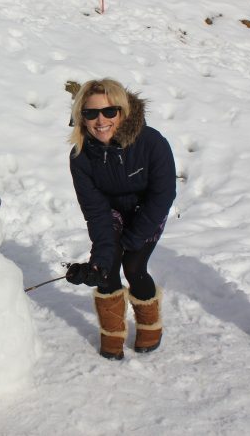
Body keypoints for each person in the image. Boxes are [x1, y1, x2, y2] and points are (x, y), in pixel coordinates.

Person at [65, 79, 176, 361]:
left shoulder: (152, 143)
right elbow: (96, 210)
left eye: (109, 112)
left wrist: (132, 239)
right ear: (82, 118)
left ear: (123, 112)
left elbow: (162, 195)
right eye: (90, 114)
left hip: (147, 210)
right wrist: (101, 255)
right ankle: (113, 333)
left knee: (134, 264)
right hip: (111, 212)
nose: (100, 121)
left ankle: (150, 324)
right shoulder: (81, 156)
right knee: (108, 266)